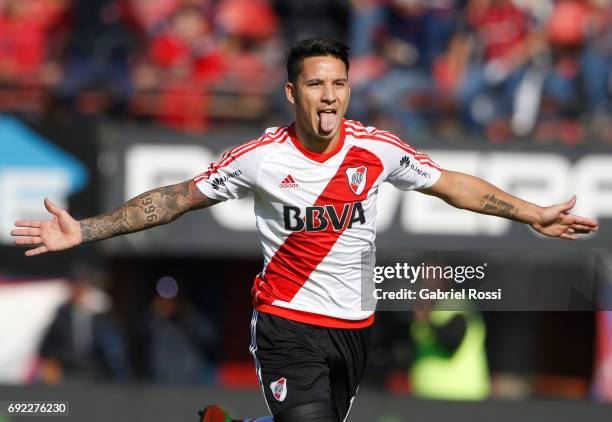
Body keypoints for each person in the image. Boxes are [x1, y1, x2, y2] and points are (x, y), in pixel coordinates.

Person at [10, 38, 598, 422]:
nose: (329, 96)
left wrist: (533, 214)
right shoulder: (260, 157)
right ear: (293, 93)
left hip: (355, 330)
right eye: (316, 84)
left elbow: (452, 185)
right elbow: (174, 200)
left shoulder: (378, 149)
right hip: (287, 323)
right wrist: (84, 230)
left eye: (339, 84)